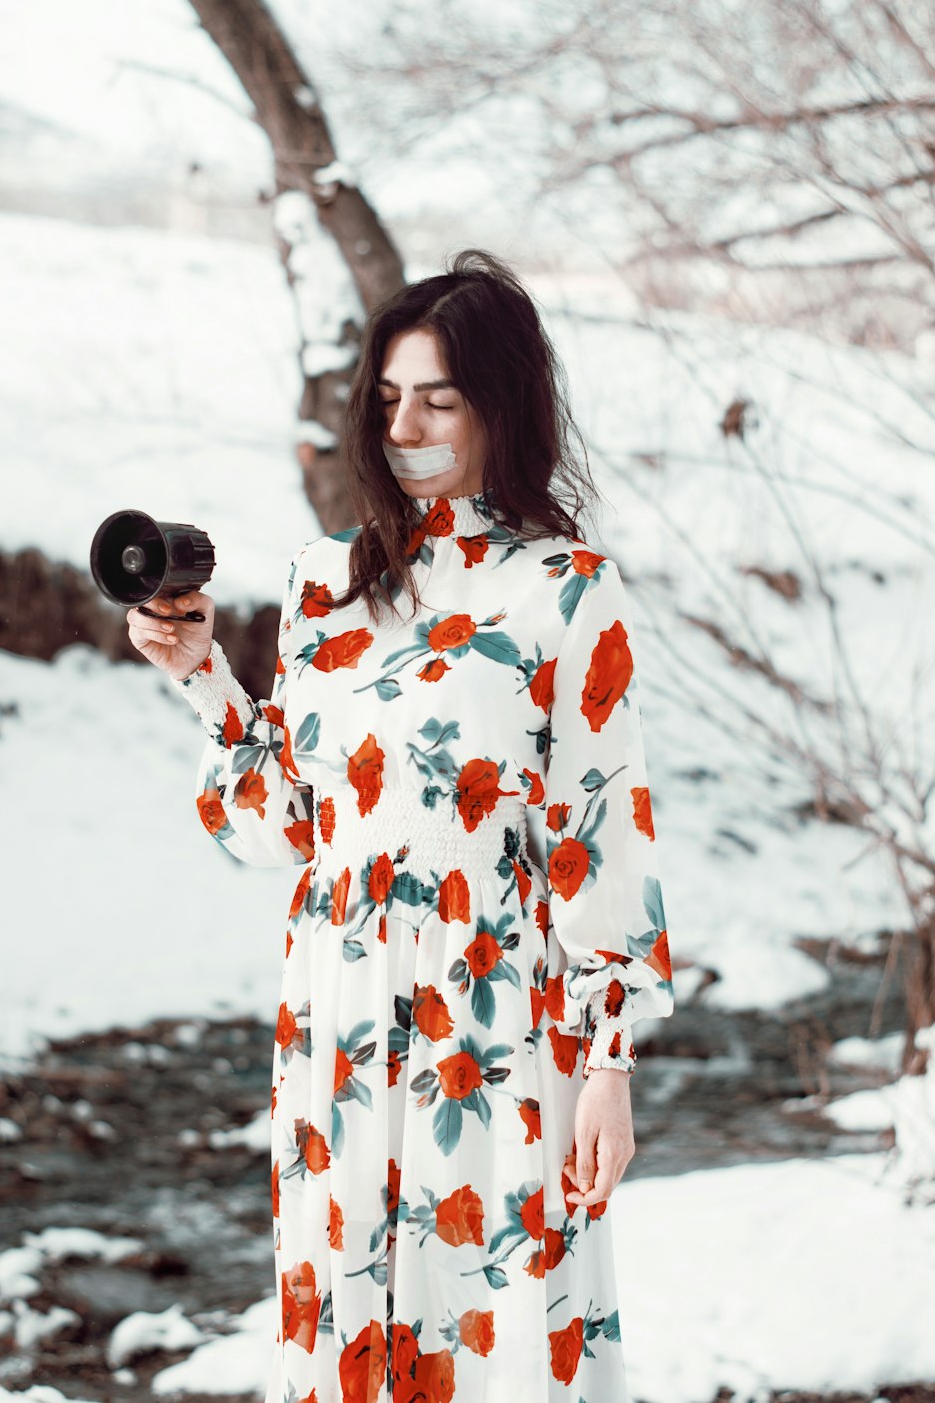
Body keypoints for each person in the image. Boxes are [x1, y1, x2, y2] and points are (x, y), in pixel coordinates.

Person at [127, 248, 674, 1402]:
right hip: (336, 1004)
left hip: (497, 1002)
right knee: (345, 1319)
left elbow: (597, 830)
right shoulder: (326, 583)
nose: (407, 422)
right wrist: (202, 678)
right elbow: (279, 828)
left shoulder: (567, 587)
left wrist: (611, 1062)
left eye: (438, 394)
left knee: (498, 1312)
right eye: (386, 398)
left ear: (500, 405)